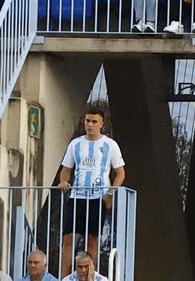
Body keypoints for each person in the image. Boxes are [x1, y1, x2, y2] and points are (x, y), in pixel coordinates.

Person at [55, 108, 125, 277]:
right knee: (69, 238)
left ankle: (91, 276)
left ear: (102, 124)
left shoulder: (110, 145)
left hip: (97, 197)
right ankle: (63, 277)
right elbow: (66, 169)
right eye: (87, 121)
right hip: (77, 196)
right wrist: (64, 182)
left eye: (94, 122)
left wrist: (110, 194)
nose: (90, 125)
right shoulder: (76, 144)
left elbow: (120, 173)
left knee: (93, 239)